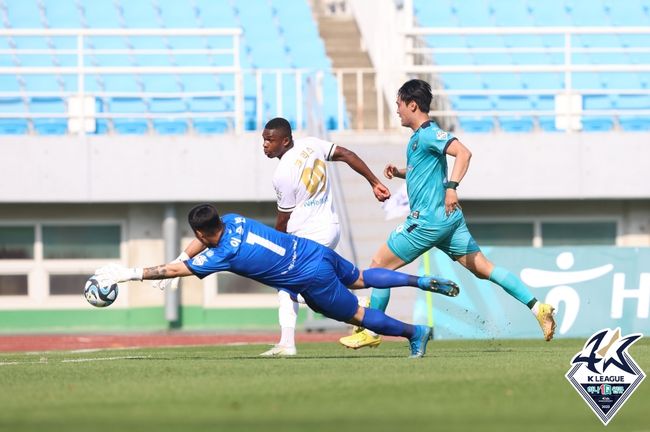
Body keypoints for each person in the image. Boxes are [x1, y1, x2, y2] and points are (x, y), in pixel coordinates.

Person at [339, 79, 557, 350]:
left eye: (399, 105)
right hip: (448, 221)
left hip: (428, 220)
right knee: (484, 269)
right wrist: (399, 173)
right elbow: (425, 169)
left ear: (412, 105)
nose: (397, 110)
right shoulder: (419, 138)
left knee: (378, 267)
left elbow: (463, 153)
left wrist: (452, 188)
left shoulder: (430, 133)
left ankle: (372, 329)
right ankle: (538, 308)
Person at [95, 204, 461, 358]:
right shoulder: (234, 220)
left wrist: (129, 274)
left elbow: (176, 272)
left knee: (359, 318)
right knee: (362, 277)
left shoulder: (224, 254)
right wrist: (181, 256)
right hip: (313, 251)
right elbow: (194, 249)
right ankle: (419, 279)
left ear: (201, 231)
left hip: (309, 277)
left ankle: (415, 333)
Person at [258, 117, 390, 356]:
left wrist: (276, 249)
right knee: (288, 286)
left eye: (270, 140)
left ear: (285, 140)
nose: (265, 144)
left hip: (309, 236)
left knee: (292, 285)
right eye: (264, 140)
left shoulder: (282, 174)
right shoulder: (311, 144)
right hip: (330, 227)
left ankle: (358, 306)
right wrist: (374, 182)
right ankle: (287, 342)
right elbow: (347, 154)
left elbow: (283, 218)